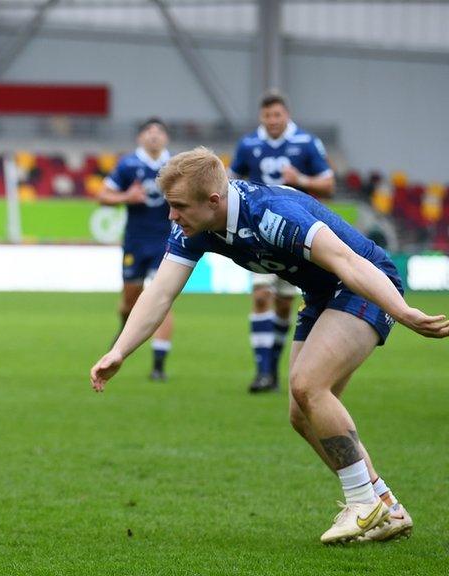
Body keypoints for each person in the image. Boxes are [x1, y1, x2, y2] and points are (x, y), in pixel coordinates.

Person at [90, 147, 446, 544]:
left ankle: (363, 503)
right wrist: (119, 351)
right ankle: (386, 505)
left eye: (178, 206)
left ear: (213, 201)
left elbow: (348, 262)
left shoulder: (272, 214)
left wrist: (403, 311)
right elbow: (159, 294)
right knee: (301, 414)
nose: (171, 215)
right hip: (322, 297)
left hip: (365, 284)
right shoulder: (194, 227)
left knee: (308, 384)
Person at [230, 90, 334, 393]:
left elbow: (328, 183)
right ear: (261, 117)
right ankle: (262, 371)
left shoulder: (306, 143)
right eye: (267, 116)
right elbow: (230, 183)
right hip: (257, 231)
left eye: (277, 115)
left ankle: (272, 368)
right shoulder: (249, 144)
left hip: (294, 232)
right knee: (262, 294)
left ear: (286, 115)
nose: (272, 121)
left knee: (286, 304)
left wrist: (300, 179)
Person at [97, 118, 174, 380]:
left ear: (166, 138)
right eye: (148, 132)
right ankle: (125, 328)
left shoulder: (175, 165)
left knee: (162, 299)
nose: (154, 136)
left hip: (167, 243)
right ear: (140, 138)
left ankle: (158, 366)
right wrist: (126, 197)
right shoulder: (128, 164)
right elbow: (103, 196)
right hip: (136, 242)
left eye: (159, 132)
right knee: (130, 302)